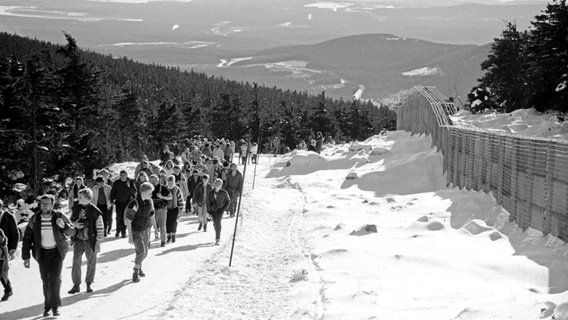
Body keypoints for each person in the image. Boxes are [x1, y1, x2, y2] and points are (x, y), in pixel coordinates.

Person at [22, 195, 74, 317]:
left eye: (47, 204)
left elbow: (72, 231)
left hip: (57, 252)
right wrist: (26, 257)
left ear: (52, 204)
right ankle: (47, 306)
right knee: (46, 281)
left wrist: (63, 226)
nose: (44, 206)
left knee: (55, 280)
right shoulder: (35, 219)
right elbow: (27, 238)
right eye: (42, 204)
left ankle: (55, 307)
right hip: (42, 253)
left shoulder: (59, 216)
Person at [68, 189, 104, 294]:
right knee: (76, 262)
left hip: (90, 240)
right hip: (78, 240)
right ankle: (76, 284)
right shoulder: (76, 208)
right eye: (79, 197)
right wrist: (74, 224)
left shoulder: (95, 211)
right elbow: (70, 221)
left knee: (91, 262)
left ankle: (89, 283)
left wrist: (98, 242)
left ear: (88, 198)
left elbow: (100, 227)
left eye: (81, 197)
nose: (79, 199)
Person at [125, 182, 154, 283]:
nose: (151, 195)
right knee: (141, 252)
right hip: (136, 231)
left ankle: (139, 267)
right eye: (150, 193)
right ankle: (135, 272)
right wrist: (130, 236)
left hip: (146, 229)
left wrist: (155, 229)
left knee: (145, 252)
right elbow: (128, 220)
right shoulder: (135, 203)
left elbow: (151, 215)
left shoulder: (149, 201)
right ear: (144, 192)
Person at [110, 170, 136, 238]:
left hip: (127, 202)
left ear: (126, 175)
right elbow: (113, 192)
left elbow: (134, 192)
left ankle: (123, 232)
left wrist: (129, 186)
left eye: (124, 175)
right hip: (118, 202)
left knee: (125, 217)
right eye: (121, 175)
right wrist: (111, 200)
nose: (122, 177)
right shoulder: (116, 182)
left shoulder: (130, 182)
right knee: (118, 217)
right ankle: (118, 231)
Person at [0, 200, 18, 301]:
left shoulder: (8, 216)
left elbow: (15, 233)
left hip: (5, 248)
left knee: (3, 270)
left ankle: (8, 289)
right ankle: (8, 289)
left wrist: (13, 248)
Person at [149, 174, 171, 247]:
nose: (152, 183)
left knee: (162, 225)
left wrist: (162, 196)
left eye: (153, 181)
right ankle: (147, 242)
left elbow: (170, 197)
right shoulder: (148, 188)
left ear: (157, 180)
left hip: (161, 209)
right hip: (150, 209)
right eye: (150, 181)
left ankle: (163, 241)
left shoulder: (163, 188)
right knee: (148, 226)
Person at [207, 179, 230, 245]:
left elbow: (228, 200)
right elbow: (208, 203)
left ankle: (218, 239)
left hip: (220, 209)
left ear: (221, 185)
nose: (218, 184)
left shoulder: (224, 192)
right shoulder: (211, 193)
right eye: (216, 183)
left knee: (218, 222)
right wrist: (209, 212)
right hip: (213, 210)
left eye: (219, 183)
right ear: (214, 184)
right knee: (215, 223)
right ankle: (217, 229)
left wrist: (224, 208)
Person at [165, 176, 184, 243]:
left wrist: (181, 209)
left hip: (175, 208)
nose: (170, 184)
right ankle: (168, 236)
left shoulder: (177, 189)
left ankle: (173, 235)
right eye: (169, 182)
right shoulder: (165, 188)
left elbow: (180, 199)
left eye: (172, 182)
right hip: (166, 209)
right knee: (167, 222)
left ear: (174, 182)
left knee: (173, 222)